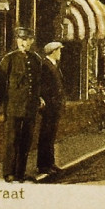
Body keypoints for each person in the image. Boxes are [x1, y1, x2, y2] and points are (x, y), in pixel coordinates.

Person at [0, 27, 43, 183]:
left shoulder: (36, 59)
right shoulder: (9, 59)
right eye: (20, 39)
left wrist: (39, 98)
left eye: (26, 40)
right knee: (11, 140)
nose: (23, 42)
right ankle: (8, 173)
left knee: (26, 141)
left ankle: (20, 173)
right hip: (13, 107)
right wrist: (6, 102)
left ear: (32, 41)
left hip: (30, 108)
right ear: (16, 40)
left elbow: (39, 82)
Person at [37, 41, 65, 175]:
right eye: (59, 51)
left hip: (55, 105)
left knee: (52, 134)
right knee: (46, 135)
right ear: (53, 52)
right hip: (49, 105)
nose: (60, 53)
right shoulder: (45, 65)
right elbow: (41, 86)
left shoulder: (54, 65)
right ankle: (43, 165)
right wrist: (43, 99)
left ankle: (50, 162)